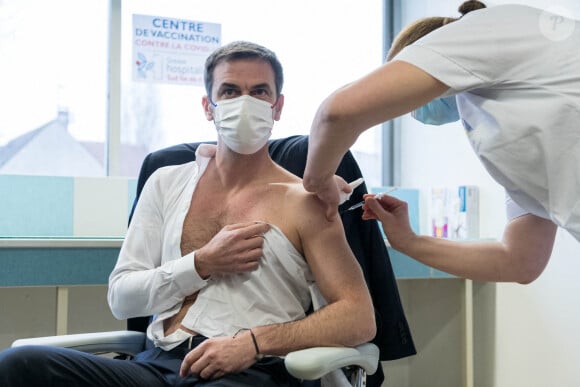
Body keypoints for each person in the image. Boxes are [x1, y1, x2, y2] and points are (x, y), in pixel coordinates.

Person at [0, 41, 375, 386]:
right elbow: (122, 299)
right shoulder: (166, 182)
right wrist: (200, 264)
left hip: (249, 370)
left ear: (277, 106)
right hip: (156, 365)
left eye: (259, 91)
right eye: (229, 91)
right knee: (20, 365)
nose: (244, 103)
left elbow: (358, 316)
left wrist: (254, 343)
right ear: (208, 106)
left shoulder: (306, 200)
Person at [303, 1, 580, 284]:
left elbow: (336, 113)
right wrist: (408, 241)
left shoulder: (482, 30)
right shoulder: (515, 132)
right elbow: (521, 261)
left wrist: (317, 181)